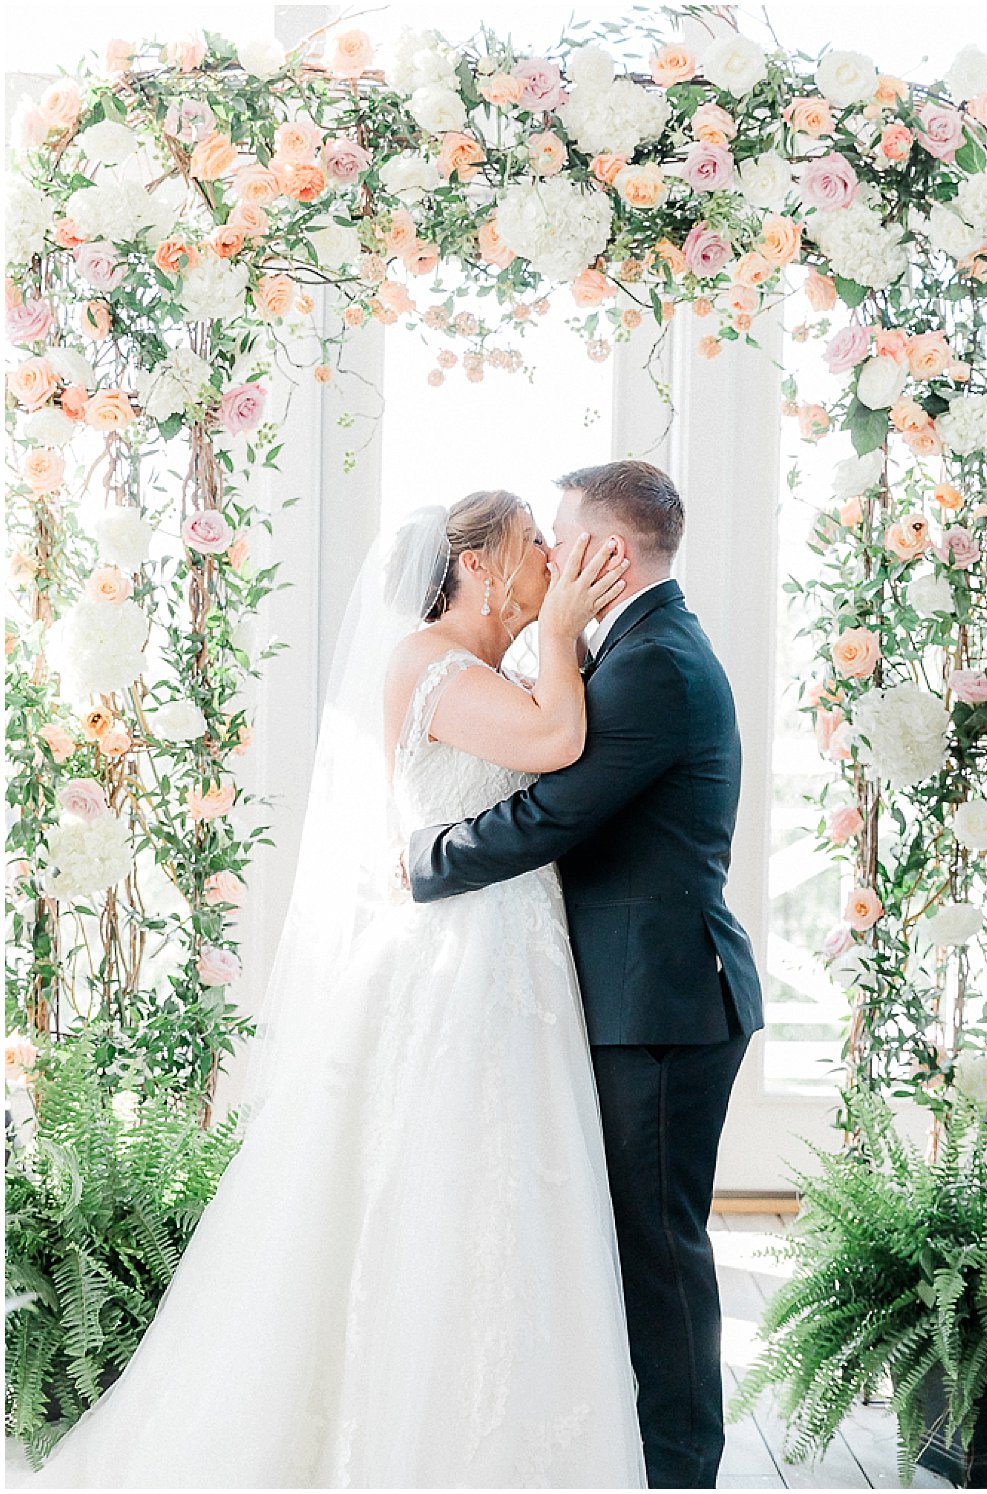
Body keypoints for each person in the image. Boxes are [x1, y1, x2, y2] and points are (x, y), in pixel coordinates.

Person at [8, 491, 647, 1489]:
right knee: (442, 1191)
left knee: (513, 1199)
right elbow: (556, 744)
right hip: (460, 966)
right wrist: (566, 629)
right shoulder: (433, 665)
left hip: (514, 960)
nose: (552, 567)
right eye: (533, 548)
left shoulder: (486, 667)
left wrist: (554, 633)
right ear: (478, 565)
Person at [409, 460, 766, 1489]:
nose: (552, 556)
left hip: (662, 1001)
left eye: (564, 537)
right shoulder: (640, 645)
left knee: (658, 1258)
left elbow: (555, 812)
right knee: (631, 1248)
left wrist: (422, 861)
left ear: (611, 552)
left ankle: (679, 1474)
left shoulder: (655, 660)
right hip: (636, 994)